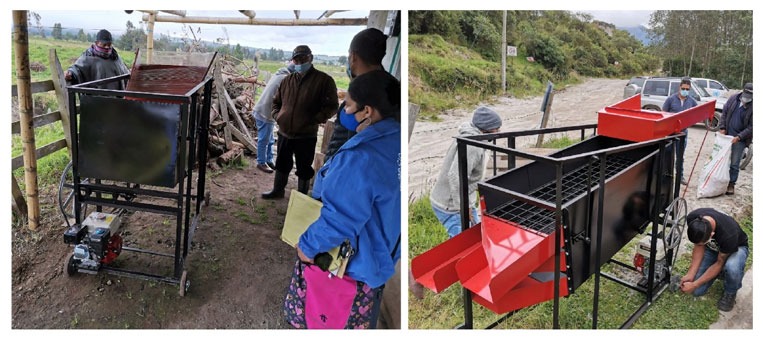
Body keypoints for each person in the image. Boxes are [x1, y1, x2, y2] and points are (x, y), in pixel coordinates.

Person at [284, 70, 401, 329]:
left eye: (347, 104)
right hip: (380, 259)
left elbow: (340, 220)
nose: (343, 110)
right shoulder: (396, 141)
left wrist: (307, 245)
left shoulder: (360, 158)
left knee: (327, 318)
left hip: (354, 268)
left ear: (367, 111)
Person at [262, 45, 338, 198]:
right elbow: (276, 102)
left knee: (304, 167)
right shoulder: (287, 80)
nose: (299, 62)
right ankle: (278, 191)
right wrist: (278, 116)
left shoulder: (324, 81)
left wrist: (315, 119)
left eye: (303, 59)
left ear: (310, 58)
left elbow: (332, 106)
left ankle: (301, 197)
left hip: (306, 134)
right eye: (296, 59)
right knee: (282, 164)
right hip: (285, 132)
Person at [429, 106, 502, 238]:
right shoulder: (473, 145)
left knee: (477, 235)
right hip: (451, 204)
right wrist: (463, 208)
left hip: (461, 198)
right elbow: (455, 176)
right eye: (496, 128)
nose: (498, 131)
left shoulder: (475, 138)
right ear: (486, 128)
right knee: (465, 241)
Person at [324, 27, 388, 163]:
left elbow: (345, 141)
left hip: (345, 166)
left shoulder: (362, 91)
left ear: (353, 56)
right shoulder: (390, 85)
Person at [681, 208, 748, 312]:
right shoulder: (693, 218)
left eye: (701, 243)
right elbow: (699, 246)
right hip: (713, 248)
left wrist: (694, 284)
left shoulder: (729, 235)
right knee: (697, 291)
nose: (698, 245)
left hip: (736, 249)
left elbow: (719, 262)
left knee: (732, 267)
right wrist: (690, 274)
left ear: (712, 234)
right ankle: (718, 273)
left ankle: (730, 292)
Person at [251, 62, 294, 173]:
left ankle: (269, 160)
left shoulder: (280, 74)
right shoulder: (285, 79)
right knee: (264, 140)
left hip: (265, 110)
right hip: (265, 112)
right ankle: (261, 162)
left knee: (270, 139)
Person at [64, 29, 130, 90]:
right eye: (104, 45)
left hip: (119, 99)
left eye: (109, 45)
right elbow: (77, 69)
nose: (107, 47)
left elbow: (125, 71)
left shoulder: (115, 56)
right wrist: (70, 73)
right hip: (98, 99)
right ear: (96, 43)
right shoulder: (88, 56)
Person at [718, 82, 753, 195]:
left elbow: (752, 127)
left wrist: (739, 137)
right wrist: (723, 127)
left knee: (734, 163)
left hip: (740, 140)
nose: (747, 98)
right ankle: (720, 181)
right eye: (746, 94)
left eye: (750, 96)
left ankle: (731, 184)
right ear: (743, 91)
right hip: (727, 135)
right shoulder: (733, 99)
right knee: (721, 159)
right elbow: (724, 113)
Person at [662, 77, 697, 185]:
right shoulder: (670, 99)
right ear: (679, 87)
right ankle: (665, 175)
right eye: (683, 88)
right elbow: (663, 114)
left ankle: (680, 176)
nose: (685, 91)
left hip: (683, 133)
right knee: (668, 154)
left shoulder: (692, 101)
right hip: (670, 134)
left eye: (687, 89)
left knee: (680, 155)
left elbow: (695, 114)